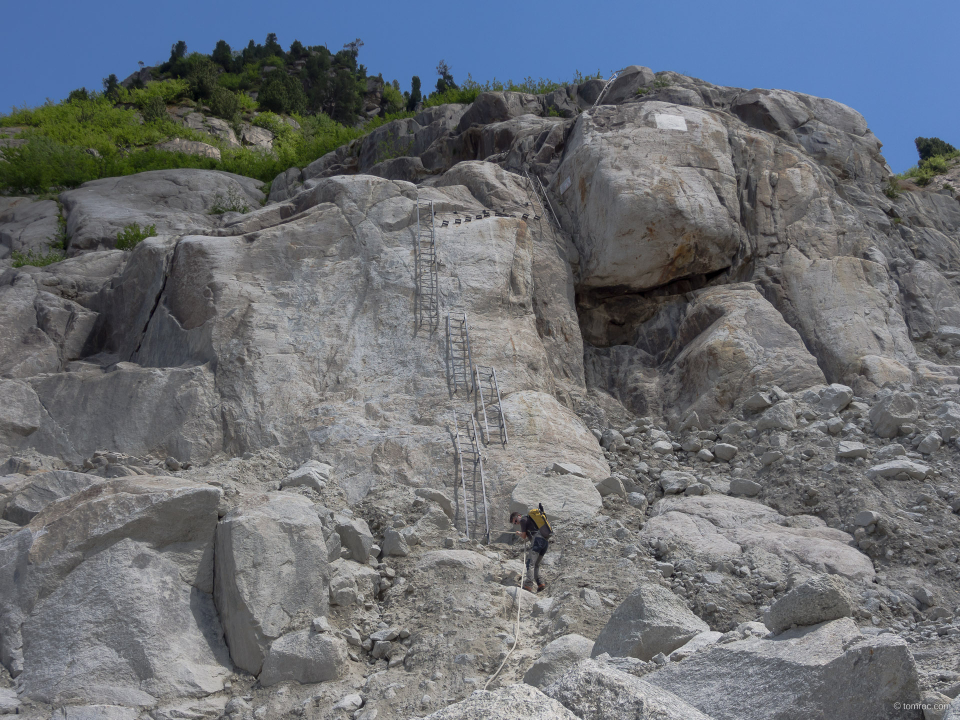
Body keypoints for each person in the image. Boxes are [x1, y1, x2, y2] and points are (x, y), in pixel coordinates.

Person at [510, 510, 549, 593]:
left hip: (537, 541)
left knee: (530, 564)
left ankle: (528, 585)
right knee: (536, 564)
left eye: (516, 521)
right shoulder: (530, 521)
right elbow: (527, 537)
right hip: (545, 542)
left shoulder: (523, 520)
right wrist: (521, 534)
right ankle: (541, 584)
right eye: (515, 523)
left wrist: (519, 534)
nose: (517, 523)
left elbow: (524, 536)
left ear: (519, 516)